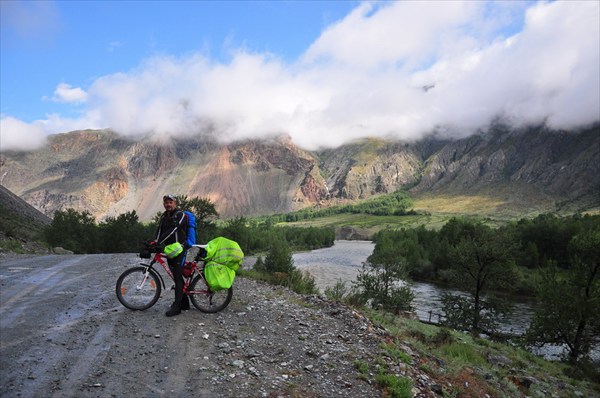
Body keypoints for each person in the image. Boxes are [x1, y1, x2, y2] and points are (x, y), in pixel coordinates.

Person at [155, 194, 190, 317]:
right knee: (176, 276)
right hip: (170, 250)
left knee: (176, 274)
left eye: (170, 202)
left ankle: (177, 307)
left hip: (180, 249)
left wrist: (159, 242)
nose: (168, 204)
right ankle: (185, 302)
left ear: (175, 203)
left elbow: (173, 230)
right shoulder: (164, 216)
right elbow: (160, 230)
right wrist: (154, 241)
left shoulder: (180, 215)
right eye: (166, 202)